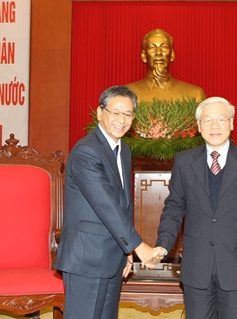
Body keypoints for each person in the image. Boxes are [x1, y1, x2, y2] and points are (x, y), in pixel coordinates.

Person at [153, 96, 237, 319]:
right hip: (197, 265)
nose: (214, 126)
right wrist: (163, 245)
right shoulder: (184, 161)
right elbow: (174, 207)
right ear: (199, 126)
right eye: (207, 120)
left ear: (232, 123)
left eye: (221, 119)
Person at [54, 85, 162, 319]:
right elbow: (106, 206)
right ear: (101, 113)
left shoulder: (122, 150)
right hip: (87, 259)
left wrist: (126, 252)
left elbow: (123, 204)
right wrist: (138, 246)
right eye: (115, 113)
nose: (121, 120)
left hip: (113, 257)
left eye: (128, 114)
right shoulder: (87, 151)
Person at [126, 28, 206, 103]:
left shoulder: (195, 95)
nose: (158, 53)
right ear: (144, 56)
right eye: (152, 47)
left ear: (172, 55)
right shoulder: (125, 95)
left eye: (164, 47)